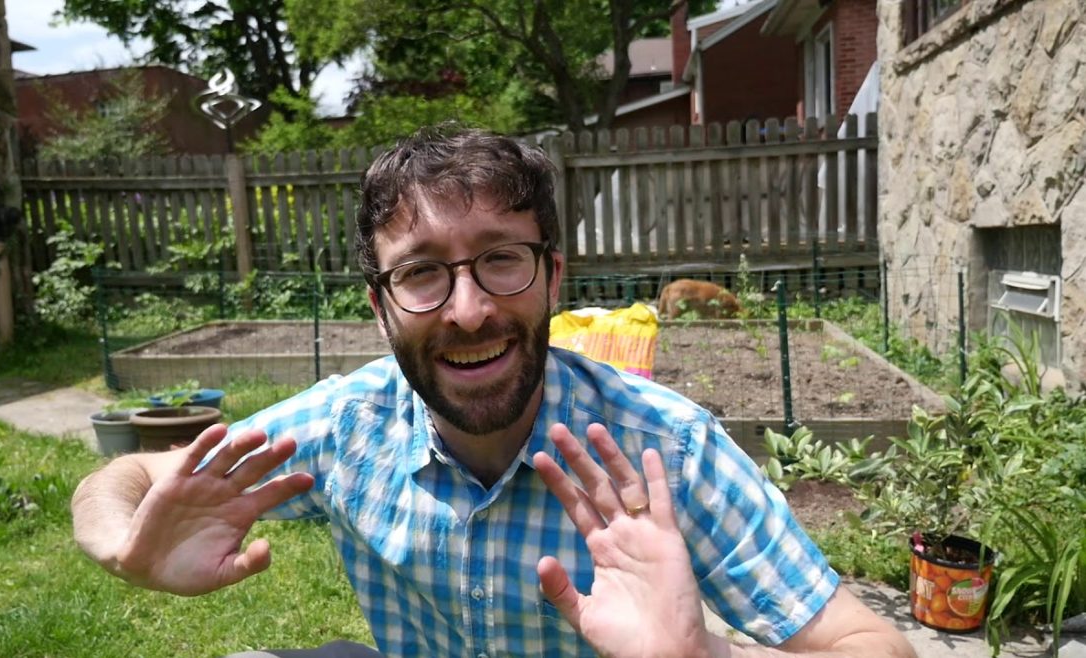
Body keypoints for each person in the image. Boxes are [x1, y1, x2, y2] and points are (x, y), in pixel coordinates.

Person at [72, 125, 916, 658]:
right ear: (379, 305)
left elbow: (870, 643)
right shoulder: (346, 426)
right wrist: (121, 542)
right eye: (423, 273)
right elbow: (129, 476)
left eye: (501, 259)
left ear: (554, 278)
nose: (469, 311)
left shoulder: (665, 451)